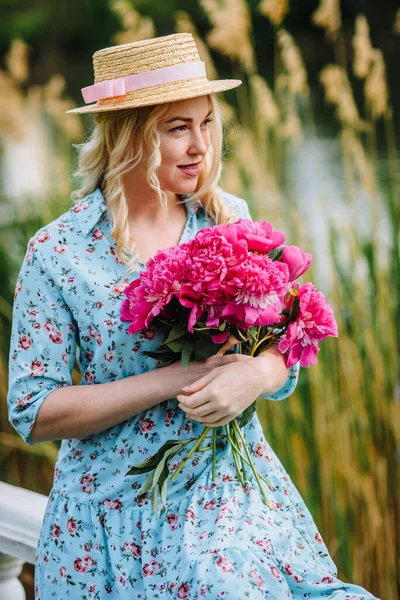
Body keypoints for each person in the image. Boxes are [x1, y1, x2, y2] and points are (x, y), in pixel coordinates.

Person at [7, 33, 379, 600]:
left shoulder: (230, 220)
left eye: (206, 123)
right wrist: (170, 381)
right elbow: (33, 410)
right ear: (127, 134)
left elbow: (288, 342)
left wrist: (259, 375)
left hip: (227, 494)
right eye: (177, 127)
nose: (200, 145)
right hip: (110, 512)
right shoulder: (58, 251)